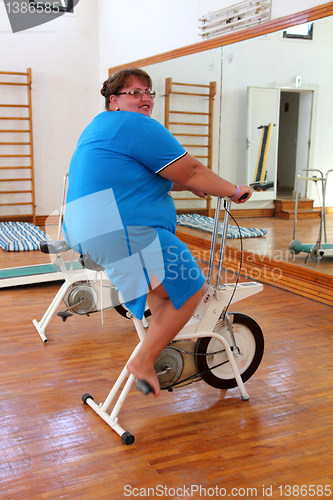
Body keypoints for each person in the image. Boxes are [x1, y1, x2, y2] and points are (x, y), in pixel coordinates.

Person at [63, 68, 252, 397]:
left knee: (166, 293)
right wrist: (234, 190)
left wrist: (190, 186)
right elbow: (192, 170)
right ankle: (144, 360)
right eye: (134, 92)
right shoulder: (136, 125)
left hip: (88, 228)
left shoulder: (100, 125)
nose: (145, 97)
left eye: (148, 91)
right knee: (192, 288)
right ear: (114, 100)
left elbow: (146, 174)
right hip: (126, 228)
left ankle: (163, 340)